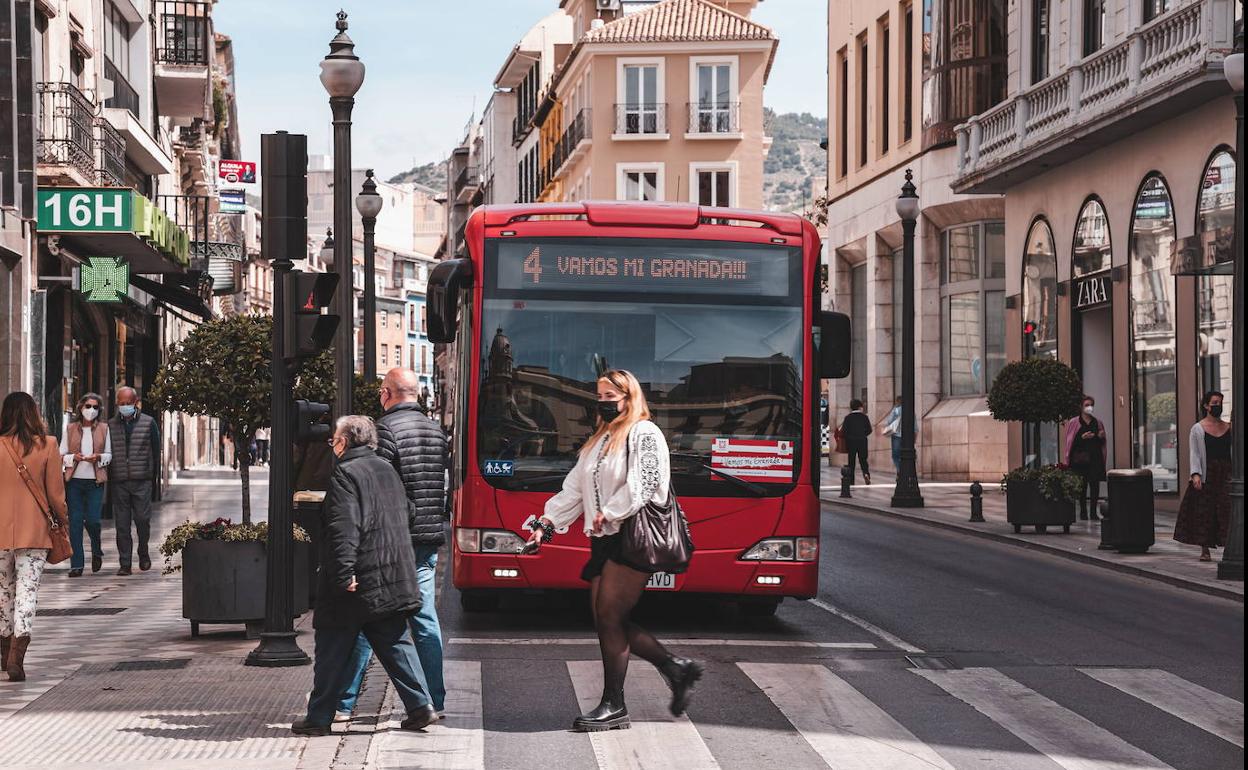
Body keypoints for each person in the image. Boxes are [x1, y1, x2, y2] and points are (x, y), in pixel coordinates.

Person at [526, 369, 702, 732]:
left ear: (629, 398)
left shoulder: (644, 433)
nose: (603, 402)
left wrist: (611, 511)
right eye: (600, 396)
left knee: (609, 615)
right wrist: (546, 524)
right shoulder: (601, 439)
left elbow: (646, 481)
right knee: (605, 617)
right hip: (605, 538)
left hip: (632, 535)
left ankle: (615, 704)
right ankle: (674, 668)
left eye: (610, 396)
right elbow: (575, 488)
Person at [292, 415, 436, 736]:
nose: (333, 445)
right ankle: (421, 706)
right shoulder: (387, 470)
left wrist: (344, 572)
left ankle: (318, 718)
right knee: (396, 643)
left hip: (356, 580)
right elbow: (409, 512)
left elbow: (344, 526)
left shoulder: (345, 473)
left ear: (344, 442)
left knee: (332, 648)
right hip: (389, 577)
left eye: (334, 440)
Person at [336, 368, 449, 721]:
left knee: (370, 616)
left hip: (394, 540)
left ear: (387, 393)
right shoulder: (436, 430)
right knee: (425, 620)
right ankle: (434, 699)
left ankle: (343, 703)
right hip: (428, 538)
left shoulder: (385, 429)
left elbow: (377, 482)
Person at [1, 392, 69, 682]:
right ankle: (16, 657)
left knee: (3, 592)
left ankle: (4, 651)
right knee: (27, 592)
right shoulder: (48, 444)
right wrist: (63, 522)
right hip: (35, 532)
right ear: (33, 413)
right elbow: (56, 494)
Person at [108, 386, 160, 575]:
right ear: (117, 403)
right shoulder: (110, 425)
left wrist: (152, 478)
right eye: (121, 403)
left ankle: (143, 552)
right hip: (119, 481)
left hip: (142, 481)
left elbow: (156, 451)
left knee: (142, 520)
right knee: (122, 525)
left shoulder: (148, 422)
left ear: (136, 402)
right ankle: (125, 563)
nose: (125, 406)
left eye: (128, 403)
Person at [1174, 391, 1231, 562]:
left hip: (1226, 473)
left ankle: (1229, 547)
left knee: (1227, 509)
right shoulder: (1197, 429)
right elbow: (1195, 453)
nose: (1218, 406)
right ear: (1206, 406)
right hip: (1208, 473)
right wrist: (1196, 474)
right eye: (1215, 403)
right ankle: (1205, 549)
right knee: (1205, 511)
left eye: (1220, 403)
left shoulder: (1229, 427)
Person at [60, 393, 112, 576]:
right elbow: (61, 454)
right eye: (88, 406)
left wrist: (98, 457)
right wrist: (74, 457)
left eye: (95, 407)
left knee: (93, 520)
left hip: (95, 482)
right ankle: (77, 565)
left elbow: (109, 455)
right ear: (81, 407)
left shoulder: (104, 429)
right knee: (75, 522)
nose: (91, 410)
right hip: (74, 482)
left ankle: (96, 550)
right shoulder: (70, 428)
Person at [1064, 395, 1107, 521]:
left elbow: (1102, 442)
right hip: (1080, 460)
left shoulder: (1097, 422)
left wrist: (1100, 437)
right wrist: (1082, 438)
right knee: (1082, 487)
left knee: (1095, 485)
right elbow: (1070, 442)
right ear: (1081, 407)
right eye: (1086, 405)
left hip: (1095, 458)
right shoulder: (1074, 423)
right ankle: (1083, 512)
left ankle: (1093, 513)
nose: (1089, 407)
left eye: (1091, 405)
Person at [840, 399, 873, 484]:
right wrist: (863, 435)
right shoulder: (864, 417)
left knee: (851, 461)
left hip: (851, 442)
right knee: (863, 460)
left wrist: (849, 437)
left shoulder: (848, 418)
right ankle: (866, 474)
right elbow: (869, 430)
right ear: (860, 407)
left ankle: (851, 480)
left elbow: (844, 432)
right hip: (862, 441)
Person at [881, 397, 903, 474]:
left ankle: (899, 471)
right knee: (906, 455)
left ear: (897, 402)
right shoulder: (911, 410)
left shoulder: (896, 410)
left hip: (897, 435)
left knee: (895, 455)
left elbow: (889, 421)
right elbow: (915, 426)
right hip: (907, 437)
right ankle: (905, 470)